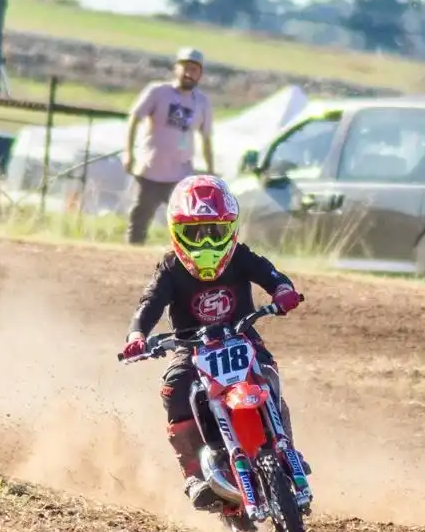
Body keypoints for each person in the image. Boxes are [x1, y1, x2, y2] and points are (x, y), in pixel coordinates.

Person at [120, 174, 304, 510]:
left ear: (231, 229)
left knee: (267, 373)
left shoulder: (240, 257)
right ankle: (193, 474)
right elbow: (150, 304)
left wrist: (282, 291)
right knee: (174, 390)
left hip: (241, 337)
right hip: (191, 349)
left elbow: (270, 274)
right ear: (177, 232)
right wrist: (137, 336)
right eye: (195, 233)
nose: (205, 243)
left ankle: (286, 447)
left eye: (215, 232)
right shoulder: (171, 267)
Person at [123, 49, 215, 245]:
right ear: (176, 69)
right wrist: (128, 153)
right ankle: (131, 257)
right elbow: (134, 119)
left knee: (188, 222)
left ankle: (182, 266)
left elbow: (206, 138)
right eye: (185, 68)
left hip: (181, 174)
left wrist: (210, 171)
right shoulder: (157, 92)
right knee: (140, 219)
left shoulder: (202, 102)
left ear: (200, 74)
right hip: (150, 169)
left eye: (194, 70)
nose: (189, 74)